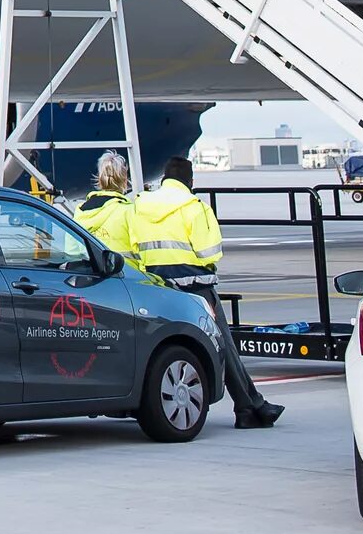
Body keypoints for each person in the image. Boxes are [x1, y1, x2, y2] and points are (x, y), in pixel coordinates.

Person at [132, 154, 283, 428]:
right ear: (190, 181)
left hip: (157, 286)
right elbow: (210, 252)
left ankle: (252, 405)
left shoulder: (140, 206)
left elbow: (135, 248)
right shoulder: (194, 207)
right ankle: (249, 408)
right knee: (223, 345)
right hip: (196, 287)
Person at [73, 150, 136, 256]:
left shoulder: (80, 212)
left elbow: (72, 253)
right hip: (126, 271)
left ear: (99, 178)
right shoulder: (129, 211)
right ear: (124, 180)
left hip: (87, 272)